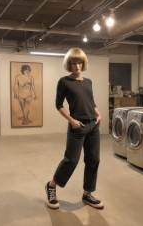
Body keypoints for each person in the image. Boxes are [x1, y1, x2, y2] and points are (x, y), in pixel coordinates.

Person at [45, 48, 103, 209]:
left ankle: (87, 194)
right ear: (68, 64)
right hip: (77, 126)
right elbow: (59, 105)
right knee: (71, 160)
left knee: (93, 160)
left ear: (83, 63)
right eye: (73, 62)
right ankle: (51, 186)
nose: (77, 66)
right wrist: (71, 120)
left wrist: (99, 114)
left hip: (93, 125)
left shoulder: (88, 81)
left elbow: (92, 102)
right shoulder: (64, 82)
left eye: (79, 62)